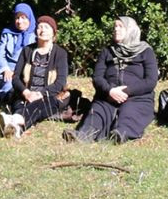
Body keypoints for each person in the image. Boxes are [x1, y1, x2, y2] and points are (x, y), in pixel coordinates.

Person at [65, 16, 159, 144]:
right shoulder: (107, 52)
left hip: (137, 97)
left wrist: (126, 91)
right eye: (115, 26)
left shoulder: (146, 52)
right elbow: (97, 77)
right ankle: (83, 135)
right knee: (97, 112)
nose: (116, 29)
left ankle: (120, 134)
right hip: (108, 95)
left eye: (121, 26)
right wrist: (110, 91)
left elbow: (150, 81)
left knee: (129, 113)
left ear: (131, 30)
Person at [0, 15, 68, 137]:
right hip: (26, 94)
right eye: (40, 27)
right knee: (20, 103)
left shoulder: (60, 53)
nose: (43, 30)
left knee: (39, 104)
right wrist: (26, 92)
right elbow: (16, 77)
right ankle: (17, 129)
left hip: (48, 97)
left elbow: (60, 82)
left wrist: (40, 94)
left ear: (53, 33)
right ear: (36, 31)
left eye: (47, 27)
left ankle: (14, 120)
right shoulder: (27, 50)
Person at [0, 3, 36, 105]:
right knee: (7, 84)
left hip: (26, 70)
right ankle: (8, 99)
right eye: (17, 18)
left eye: (23, 18)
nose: (19, 21)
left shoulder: (35, 36)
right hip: (9, 70)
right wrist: (5, 69)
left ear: (29, 18)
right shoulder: (7, 34)